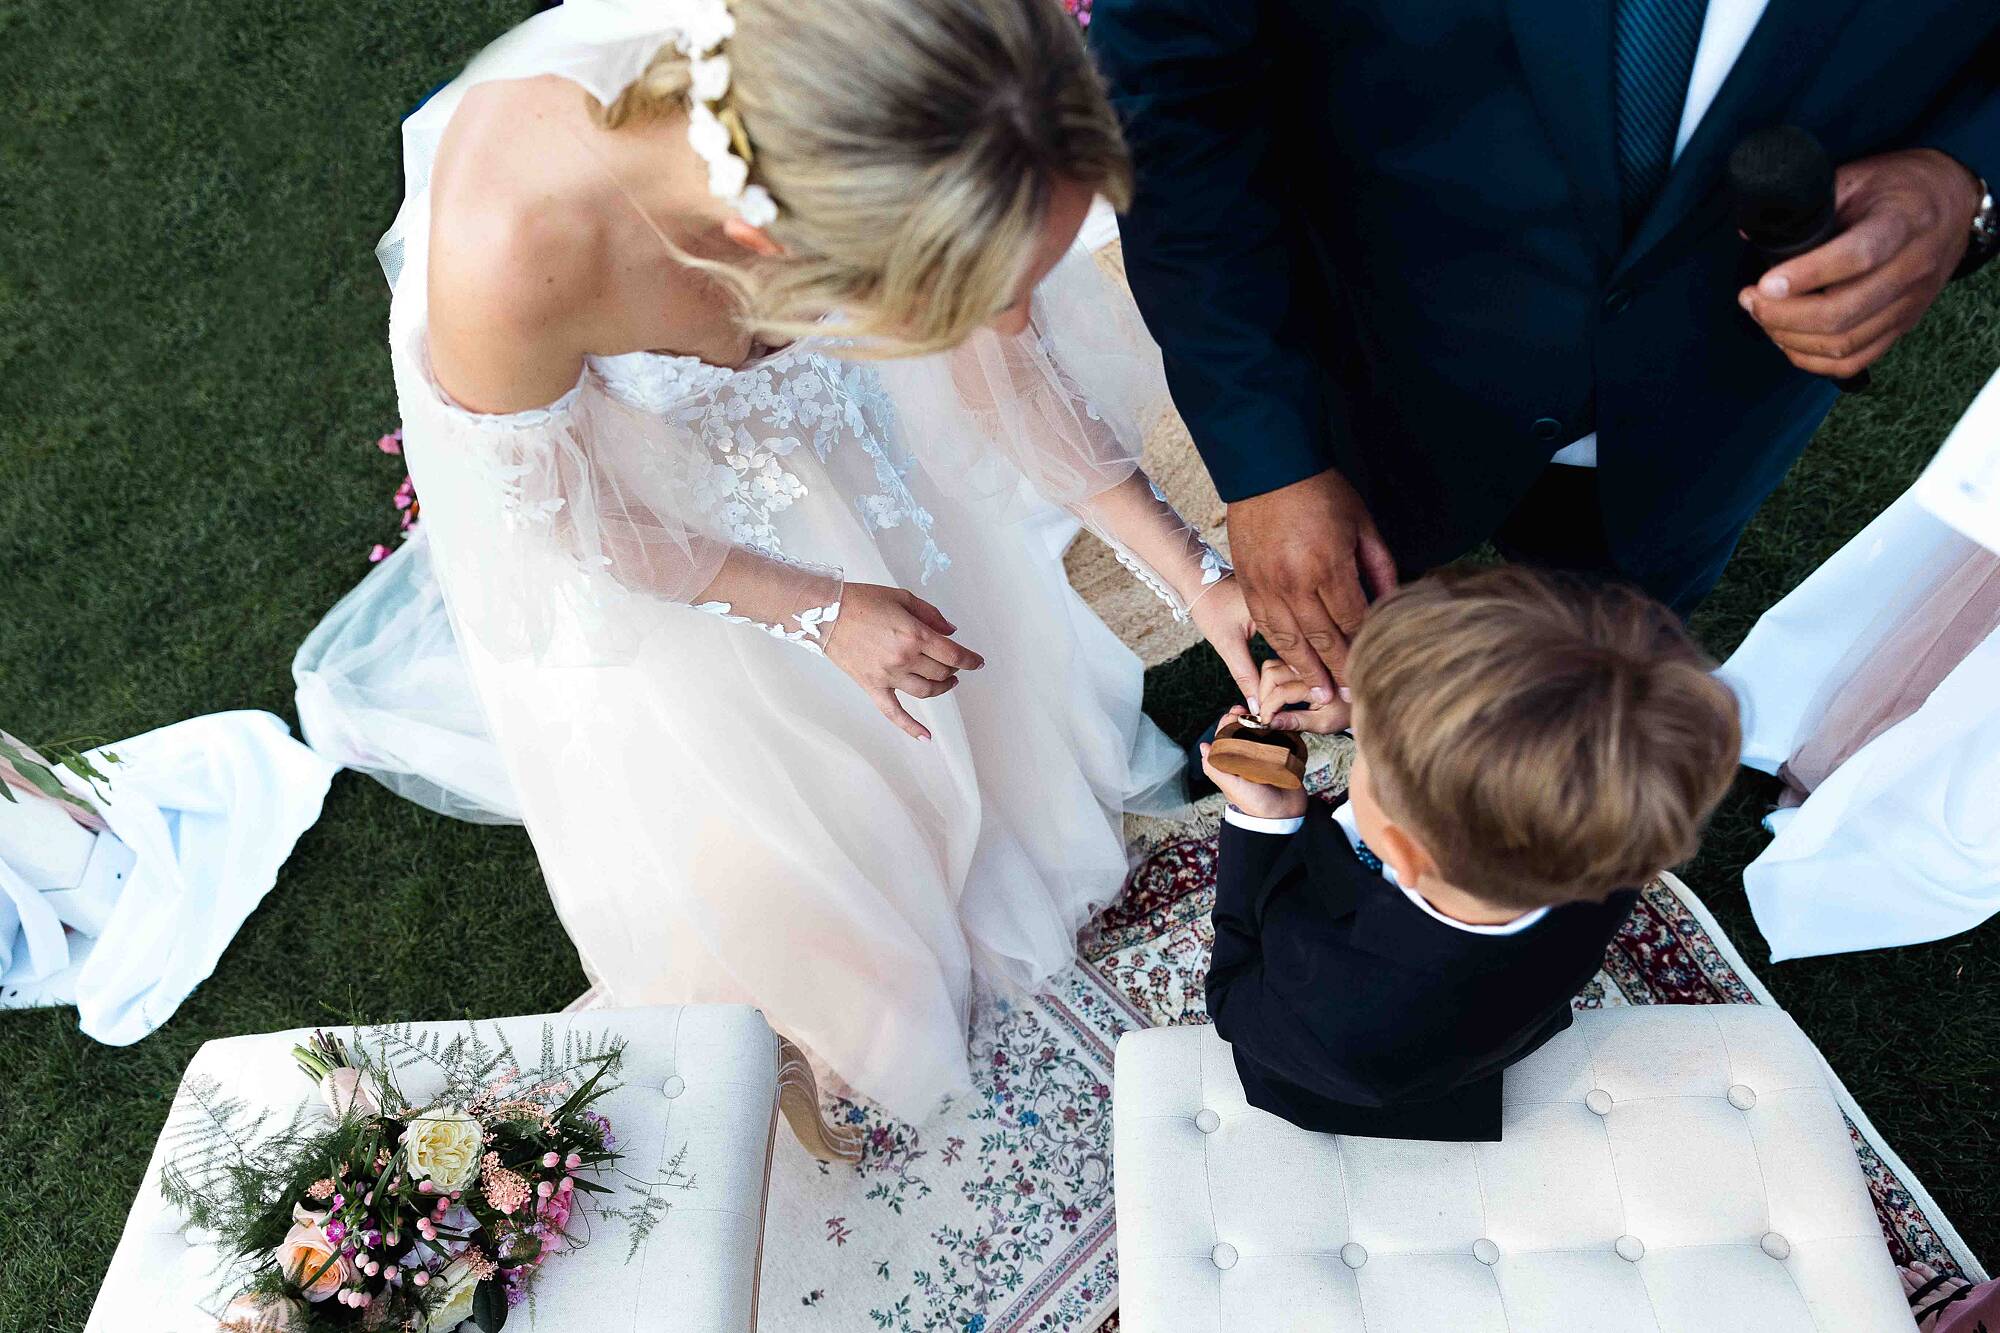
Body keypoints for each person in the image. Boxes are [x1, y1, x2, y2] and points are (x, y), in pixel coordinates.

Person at [348, 0, 1261, 1122]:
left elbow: (1008, 374)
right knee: (791, 832)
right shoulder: (519, 246)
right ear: (781, 249)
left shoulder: (942, 91)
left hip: (842, 456)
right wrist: (816, 611)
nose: (1001, 314)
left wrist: (1198, 576)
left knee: (977, 704)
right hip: (674, 541)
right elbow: (565, 520)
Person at [1093, 0, 2000, 707]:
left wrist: (1968, 179)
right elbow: (1174, 104)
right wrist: (1268, 459)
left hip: (1710, 406)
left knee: (1600, 688)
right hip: (1382, 362)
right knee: (1355, 616)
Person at [1197, 566, 1740, 1139]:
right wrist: (1394, 718)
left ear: (1402, 853)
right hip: (1495, 1015)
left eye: (1372, 757)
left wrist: (1265, 825)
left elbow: (1232, 996)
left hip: (1339, 1079)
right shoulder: (1608, 839)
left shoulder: (1341, 1021)